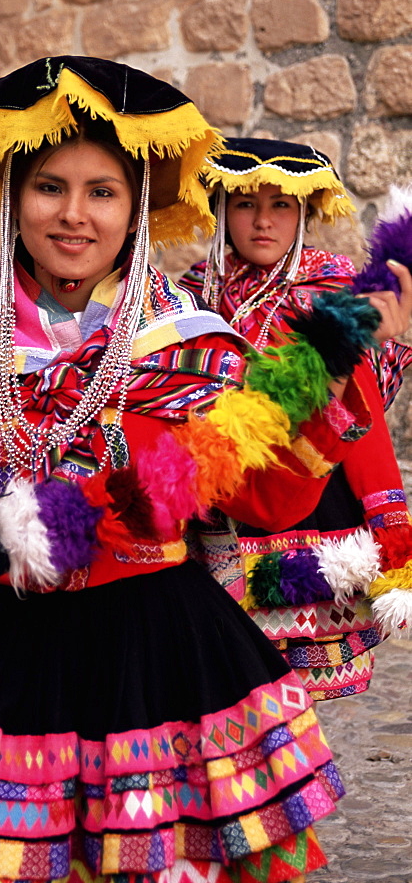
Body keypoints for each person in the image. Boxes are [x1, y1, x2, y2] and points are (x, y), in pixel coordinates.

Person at [0, 58, 383, 883]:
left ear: (136, 206)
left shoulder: (192, 343)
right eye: (48, 187)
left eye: (102, 191)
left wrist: (324, 381)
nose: (73, 215)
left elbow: (270, 499)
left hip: (159, 658)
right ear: (12, 198)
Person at [178, 137, 412, 702]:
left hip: (307, 497)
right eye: (246, 204)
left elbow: (363, 414)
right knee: (215, 674)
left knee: (292, 683)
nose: (263, 221)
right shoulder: (187, 300)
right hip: (210, 499)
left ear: (303, 213)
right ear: (220, 210)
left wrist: (392, 528)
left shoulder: (333, 293)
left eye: (281, 205)